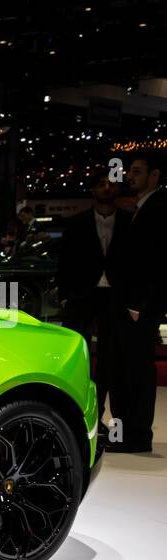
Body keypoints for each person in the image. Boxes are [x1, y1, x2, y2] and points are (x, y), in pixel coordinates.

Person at [58, 172, 130, 425]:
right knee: (77, 355)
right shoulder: (77, 222)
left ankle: (98, 415)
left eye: (111, 184)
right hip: (81, 296)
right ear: (92, 190)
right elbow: (64, 261)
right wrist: (65, 296)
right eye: (101, 184)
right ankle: (76, 414)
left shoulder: (129, 221)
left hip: (116, 295)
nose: (107, 188)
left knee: (111, 359)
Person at [106, 151, 166, 453]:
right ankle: (126, 434)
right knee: (124, 371)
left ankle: (137, 435)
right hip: (130, 305)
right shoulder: (140, 209)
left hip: (138, 307)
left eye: (138, 171)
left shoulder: (159, 207)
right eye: (129, 171)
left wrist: (139, 304)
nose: (129, 175)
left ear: (154, 175)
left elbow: (158, 261)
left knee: (135, 373)